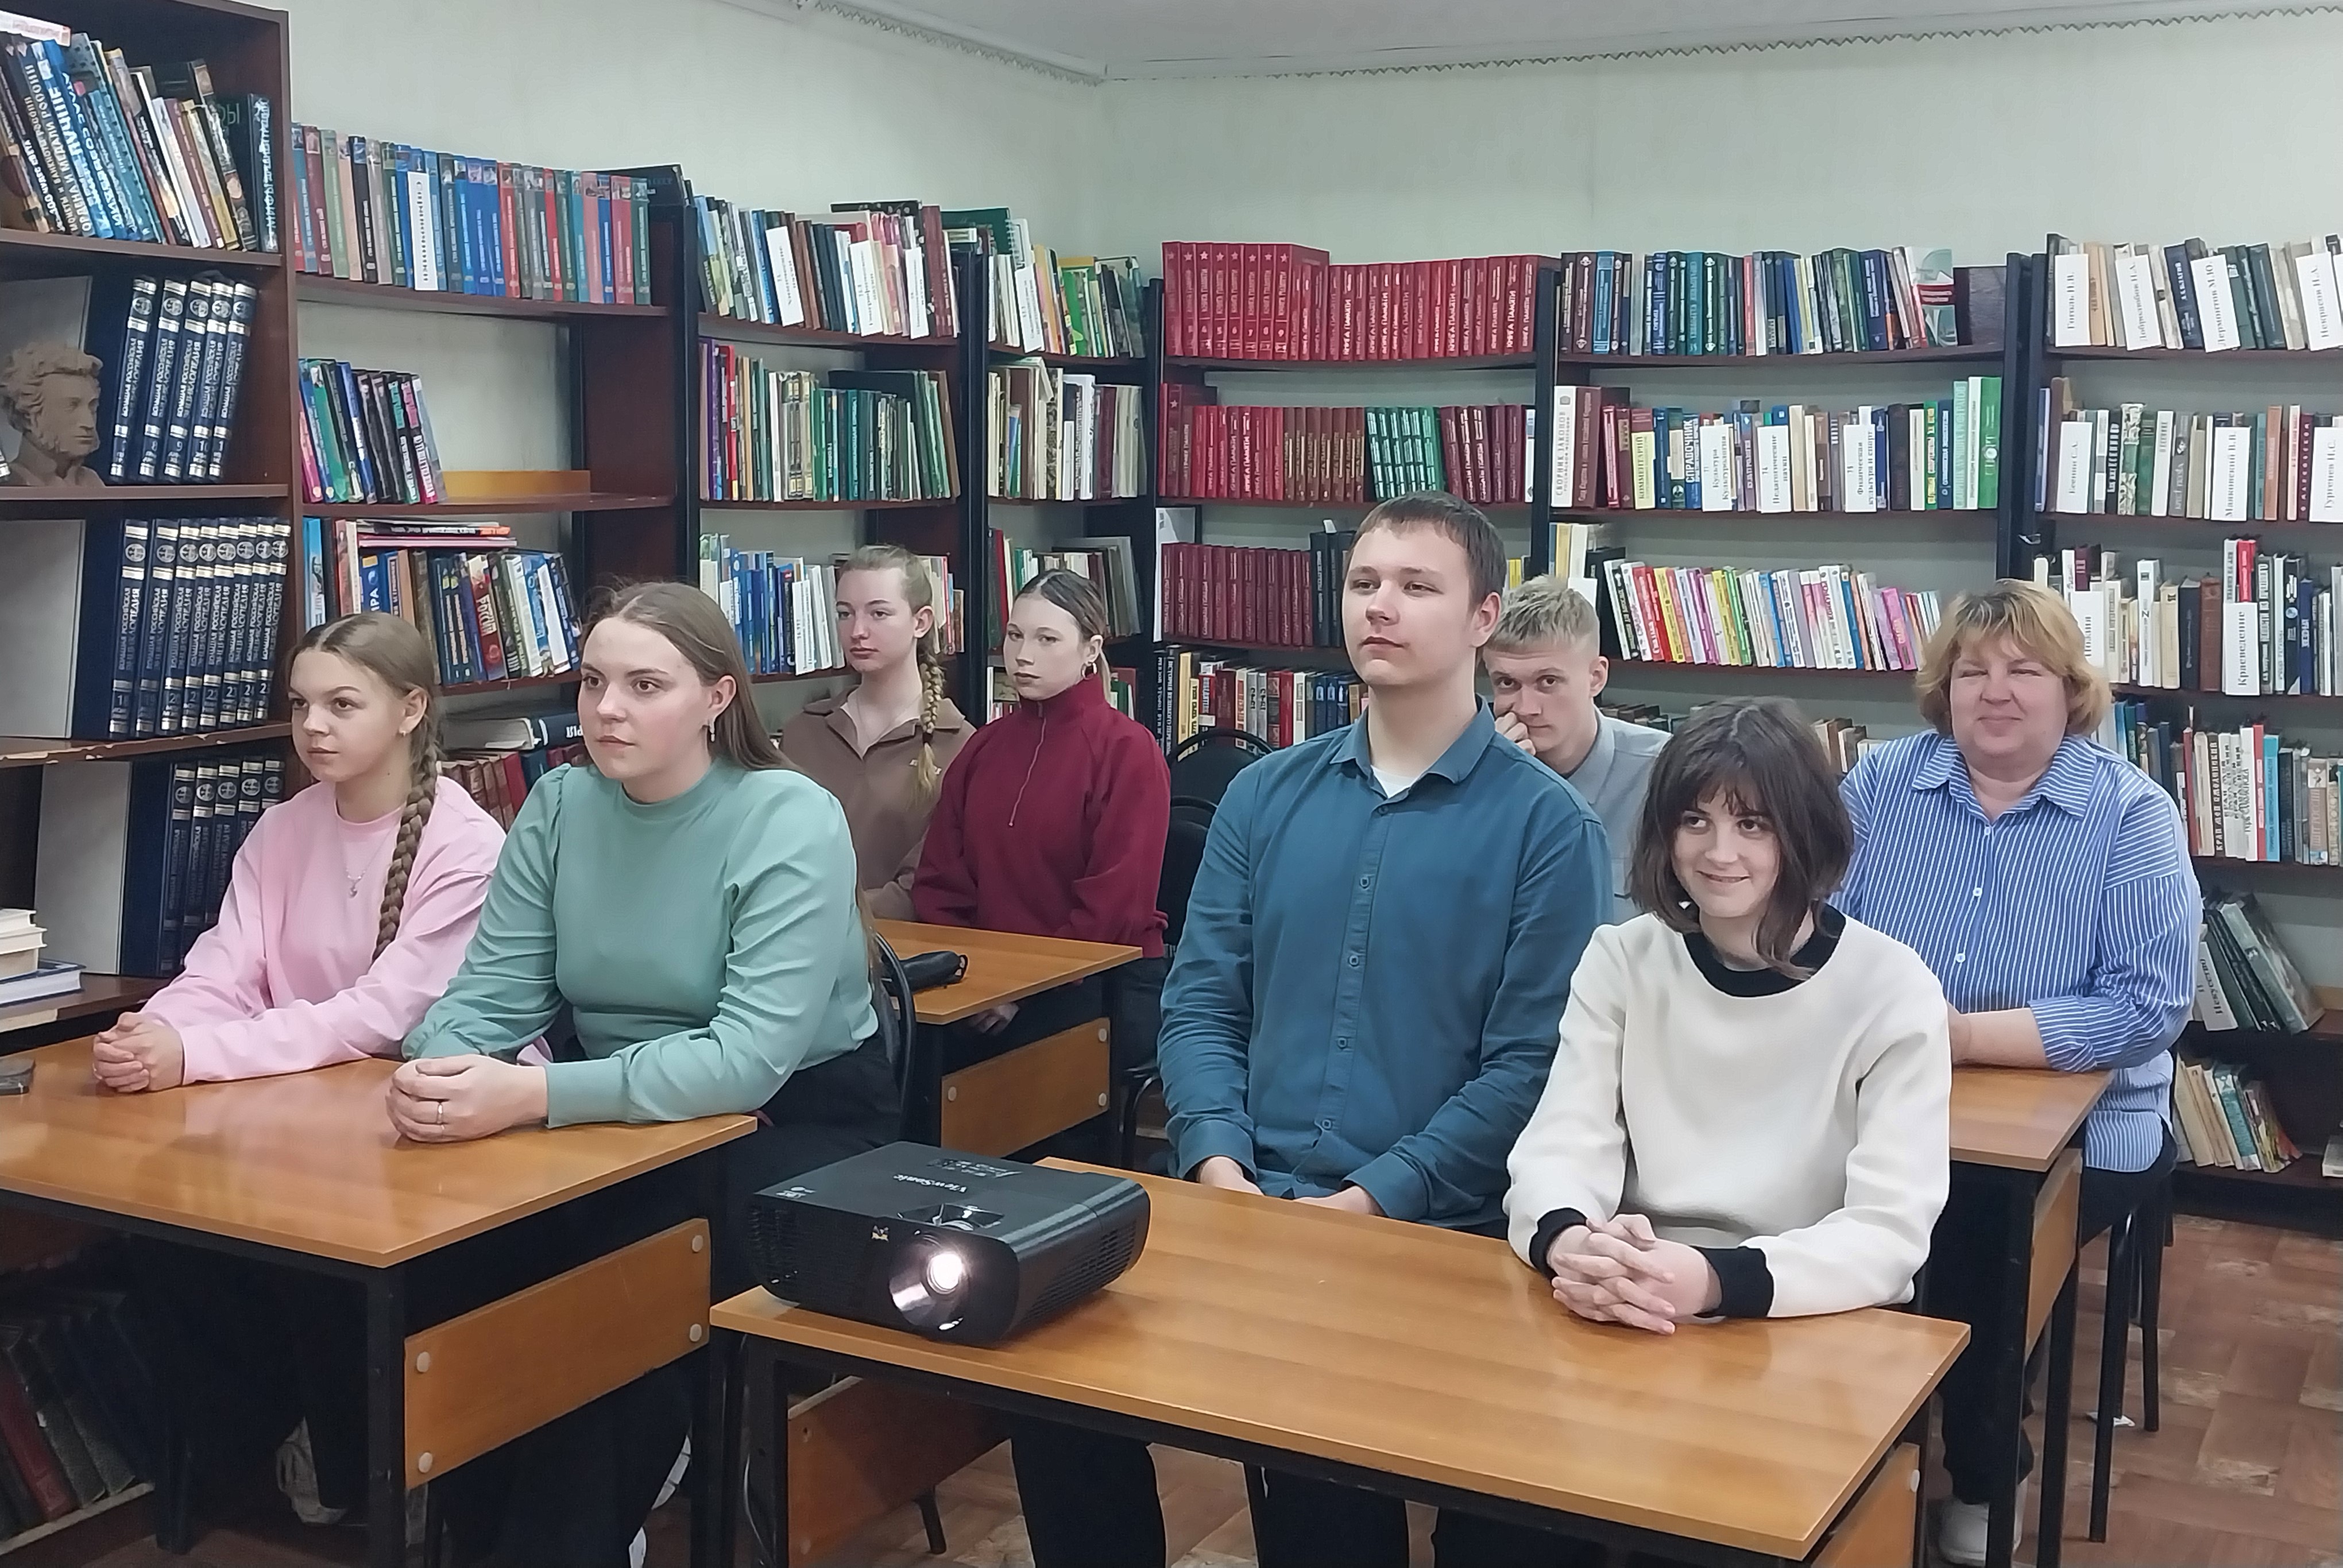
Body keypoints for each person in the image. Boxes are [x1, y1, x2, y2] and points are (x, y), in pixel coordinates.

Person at [1010, 493, 1610, 1568]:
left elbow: (1530, 1067)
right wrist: (1218, 1160)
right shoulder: (1264, 795)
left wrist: (1370, 1200)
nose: (1380, 605)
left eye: (1417, 586)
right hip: (1248, 1203)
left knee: (1377, 1496)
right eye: (1365, 582)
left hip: (1437, 1231)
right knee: (1045, 1379)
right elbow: (1203, 1000)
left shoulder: (1550, 827)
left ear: (1484, 618)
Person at [393, 580, 891, 1568]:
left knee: (622, 1277)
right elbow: (493, 993)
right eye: (593, 682)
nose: (607, 708)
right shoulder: (561, 804)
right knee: (456, 1257)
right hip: (607, 1117)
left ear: (717, 696)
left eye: (645, 685)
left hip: (797, 1124)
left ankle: (563, 1544)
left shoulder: (789, 815)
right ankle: (483, 1538)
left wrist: (530, 1096)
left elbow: (747, 1059)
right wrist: (436, 1066)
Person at [93, 611, 505, 1528]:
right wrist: (152, 1031)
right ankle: (279, 1439)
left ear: (411, 709)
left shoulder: (465, 843)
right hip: (292, 1110)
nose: (313, 725)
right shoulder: (283, 828)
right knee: (161, 1231)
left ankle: (374, 1462)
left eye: (342, 704)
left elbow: (379, 1016)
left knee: (322, 1249)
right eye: (300, 703)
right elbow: (223, 968)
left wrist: (194, 1055)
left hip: (421, 1123)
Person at [1835, 580, 2196, 1568]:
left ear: (2069, 691)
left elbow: (2145, 1007)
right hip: (1882, 1099)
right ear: (1943, 687)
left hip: (2093, 1124)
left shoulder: (2131, 812)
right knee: (1795, 1209)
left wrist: (1956, 1037)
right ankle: (1844, 1452)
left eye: (2023, 671)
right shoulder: (1880, 785)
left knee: (1972, 1245)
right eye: (1973, 671)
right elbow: (1814, 931)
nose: (1995, 691)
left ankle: (1986, 1473)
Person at [1506, 698, 1950, 1336]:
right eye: (1695, 820)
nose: (1719, 852)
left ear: (1804, 832)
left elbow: (1889, 1231)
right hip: (1629, 1293)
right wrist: (1575, 1245)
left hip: (1802, 1313)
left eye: (1752, 825)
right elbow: (1561, 1143)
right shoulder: (1622, 958)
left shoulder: (1892, 988)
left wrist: (1711, 1278)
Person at [913, 568, 1169, 1088]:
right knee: (902, 1062)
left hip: (1096, 979)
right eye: (1015, 636)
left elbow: (1113, 908)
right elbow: (940, 880)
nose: (1023, 655)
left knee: (1007, 1087)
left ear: (1090, 650)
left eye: (1047, 639)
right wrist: (973, 979)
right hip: (982, 980)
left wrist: (1020, 991)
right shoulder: (985, 747)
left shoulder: (1128, 751)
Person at [780, 544, 970, 919]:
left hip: (900, 943)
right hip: (791, 936)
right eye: (844, 613)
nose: (858, 631)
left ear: (921, 622)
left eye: (879, 613)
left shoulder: (962, 746)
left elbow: (929, 883)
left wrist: (829, 916)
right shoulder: (803, 731)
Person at [1484, 575, 1666, 922]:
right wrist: (1493, 793)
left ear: (1596, 678)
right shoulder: (1471, 776)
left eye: (1548, 682)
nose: (1526, 708)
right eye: (1507, 683)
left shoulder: (1662, 774)